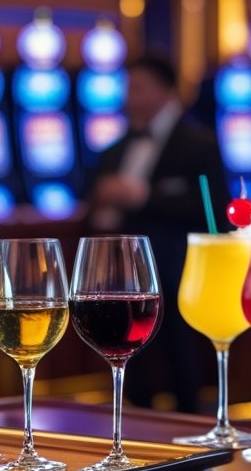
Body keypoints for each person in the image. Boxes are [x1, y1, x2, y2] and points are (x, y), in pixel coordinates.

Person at [87, 55, 230, 413]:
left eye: (138, 88)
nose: (129, 97)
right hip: (122, 271)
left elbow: (212, 207)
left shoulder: (200, 143)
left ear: (166, 92)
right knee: (127, 355)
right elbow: (91, 199)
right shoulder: (114, 148)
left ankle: (191, 426)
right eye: (127, 88)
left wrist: (143, 196)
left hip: (176, 266)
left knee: (180, 358)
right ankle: (133, 425)